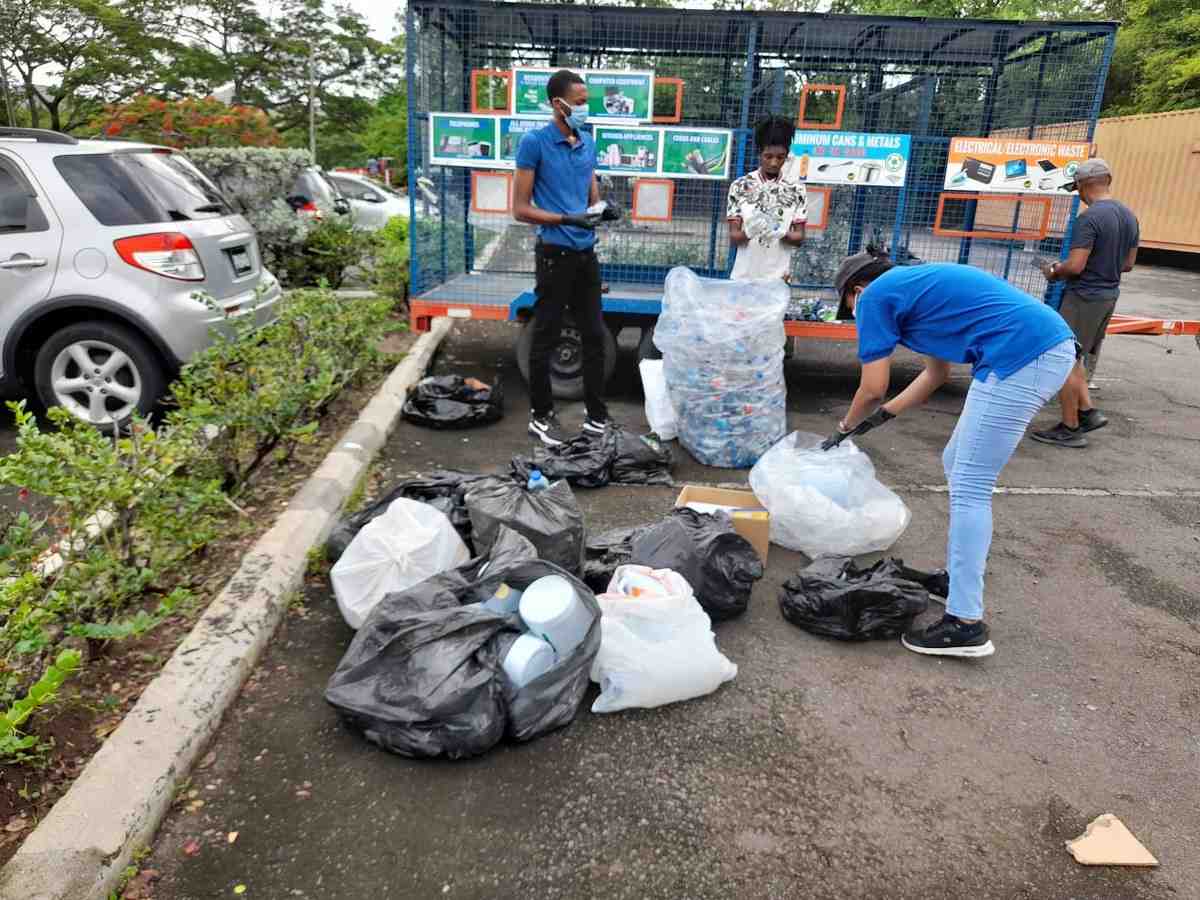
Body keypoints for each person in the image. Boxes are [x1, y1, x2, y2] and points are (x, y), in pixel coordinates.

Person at [822, 253, 1077, 659]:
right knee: (955, 463)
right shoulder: (910, 290)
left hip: (1023, 355)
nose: (855, 315)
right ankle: (955, 584)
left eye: (849, 307)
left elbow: (872, 387)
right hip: (1032, 349)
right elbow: (935, 374)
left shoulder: (874, 298)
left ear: (857, 291)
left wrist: (844, 428)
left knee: (971, 486)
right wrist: (882, 418)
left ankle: (965, 623)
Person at [513, 69, 617, 447]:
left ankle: (596, 417)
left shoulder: (587, 142)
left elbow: (591, 196)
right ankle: (541, 416)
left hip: (585, 251)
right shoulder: (534, 143)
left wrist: (603, 209)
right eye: (580, 102)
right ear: (557, 103)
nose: (585, 108)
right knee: (546, 335)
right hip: (554, 252)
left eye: (586, 101)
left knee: (593, 336)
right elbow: (520, 209)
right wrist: (563, 218)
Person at [1032, 158, 1139, 448]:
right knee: (1076, 355)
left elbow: (1076, 266)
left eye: (1077, 186)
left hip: (1083, 296)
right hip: (1108, 296)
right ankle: (1088, 412)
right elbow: (1128, 264)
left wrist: (1055, 271)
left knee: (1063, 358)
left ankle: (1070, 427)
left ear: (1083, 185)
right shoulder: (1129, 216)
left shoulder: (1090, 218)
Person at [727, 116, 807, 282]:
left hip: (778, 279)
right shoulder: (740, 186)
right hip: (744, 277)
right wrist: (749, 232)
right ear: (759, 153)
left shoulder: (796, 189)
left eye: (780, 157)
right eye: (768, 156)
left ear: (787, 156)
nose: (773, 162)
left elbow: (799, 238)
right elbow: (734, 237)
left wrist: (782, 233)